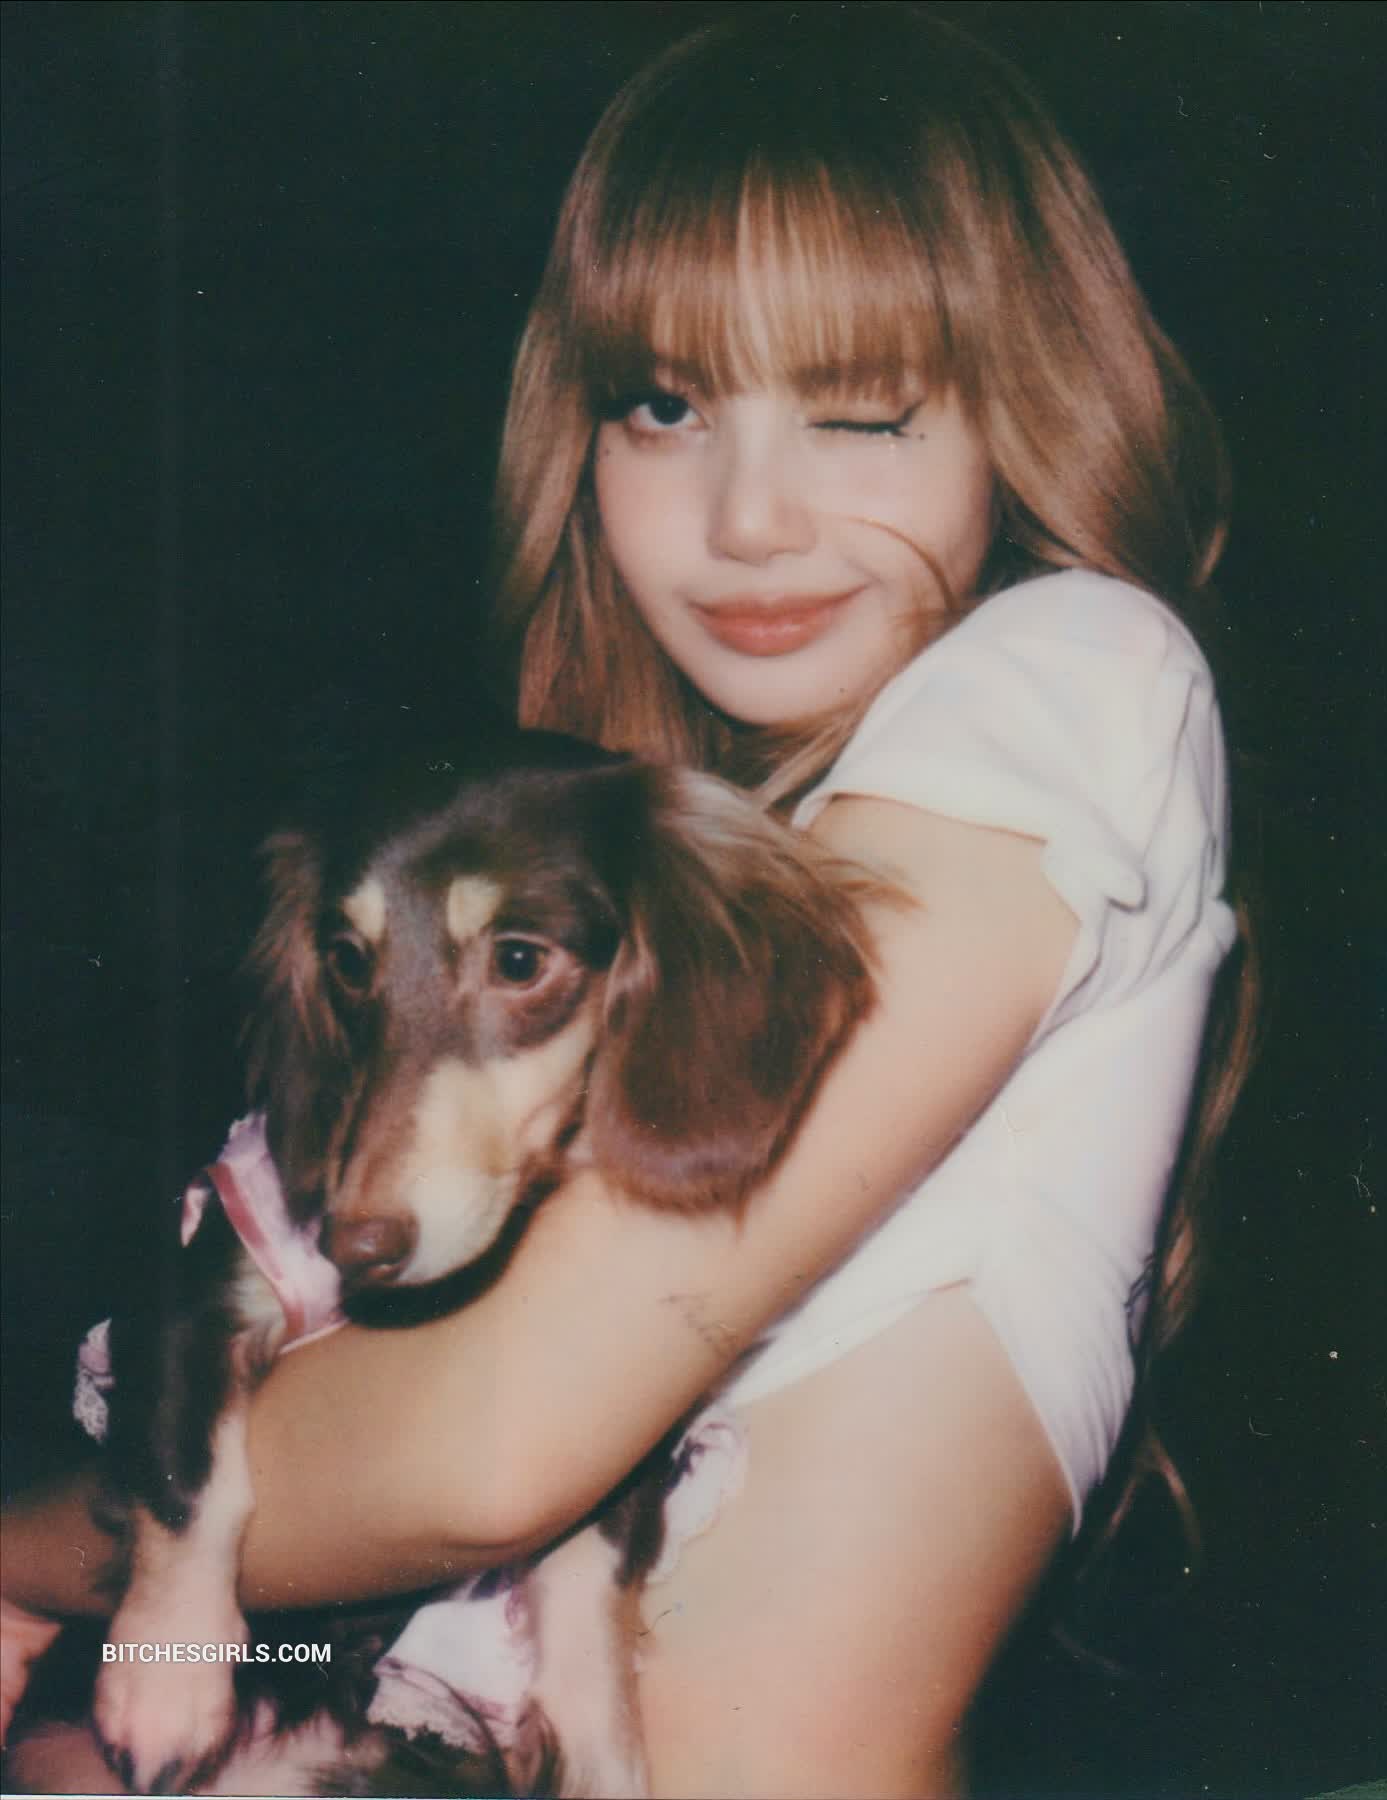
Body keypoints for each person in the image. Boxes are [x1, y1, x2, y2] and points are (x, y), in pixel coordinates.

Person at [2, 7, 1251, 1794]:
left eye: (861, 407)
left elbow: (487, 1440)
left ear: (1023, 410)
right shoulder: (657, 863)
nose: (749, 517)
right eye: (663, 404)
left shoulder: (1074, 676)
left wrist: (24, 1558)